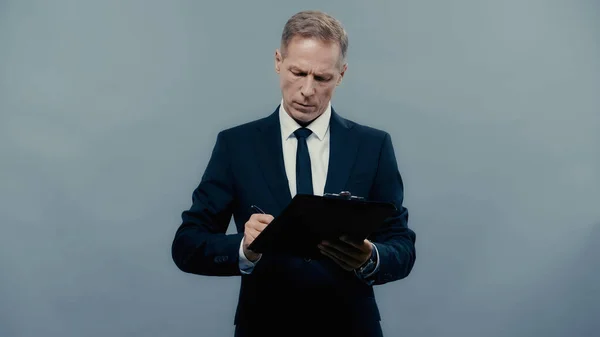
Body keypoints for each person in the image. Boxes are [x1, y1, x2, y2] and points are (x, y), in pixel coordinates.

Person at [171, 10, 416, 337]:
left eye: (322, 78)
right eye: (298, 72)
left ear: (341, 74)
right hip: (264, 326)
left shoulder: (373, 146)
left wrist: (371, 257)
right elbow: (187, 245)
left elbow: (402, 246)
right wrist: (245, 249)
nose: (307, 90)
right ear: (278, 61)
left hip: (352, 328)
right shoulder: (236, 145)